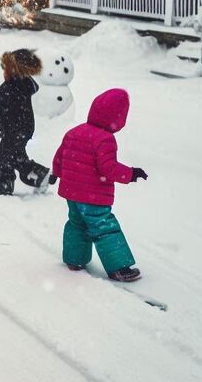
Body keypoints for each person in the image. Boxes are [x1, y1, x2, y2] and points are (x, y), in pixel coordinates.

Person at [52, 89, 146, 282]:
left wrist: (57, 173)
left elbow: (60, 156)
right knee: (104, 227)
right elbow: (108, 168)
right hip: (93, 195)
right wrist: (130, 174)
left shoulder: (74, 132)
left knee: (76, 224)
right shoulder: (105, 139)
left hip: (72, 193)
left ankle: (74, 260)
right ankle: (119, 267)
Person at [0, 49, 52, 195]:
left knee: (4, 157)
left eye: (5, 69)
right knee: (16, 157)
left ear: (14, 71)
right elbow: (6, 107)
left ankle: (3, 186)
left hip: (15, 129)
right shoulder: (24, 84)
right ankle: (39, 175)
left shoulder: (10, 88)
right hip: (23, 128)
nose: (3, 72)